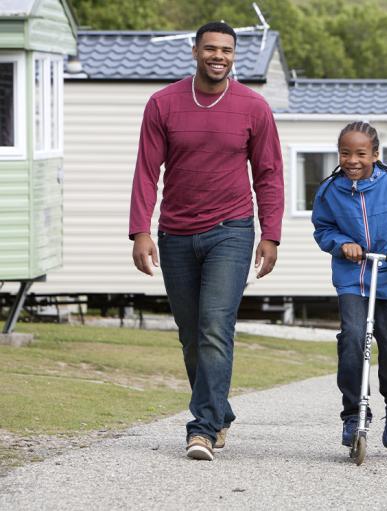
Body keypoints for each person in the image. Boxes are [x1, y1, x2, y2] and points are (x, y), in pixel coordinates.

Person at [129, 22, 284, 461]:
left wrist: (270, 234)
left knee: (215, 327)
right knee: (192, 336)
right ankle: (219, 411)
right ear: (196, 51)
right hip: (175, 233)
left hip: (231, 231)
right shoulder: (163, 104)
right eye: (211, 48)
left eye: (227, 50)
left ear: (234, 56)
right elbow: (146, 170)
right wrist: (141, 229)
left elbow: (269, 174)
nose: (219, 56)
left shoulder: (254, 108)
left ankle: (201, 428)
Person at [311, 121, 387, 451]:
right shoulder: (329, 190)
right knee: (352, 340)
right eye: (345, 153)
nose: (352, 160)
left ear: (375, 155)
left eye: (361, 153)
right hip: (352, 279)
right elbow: (322, 228)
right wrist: (341, 243)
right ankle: (354, 413)